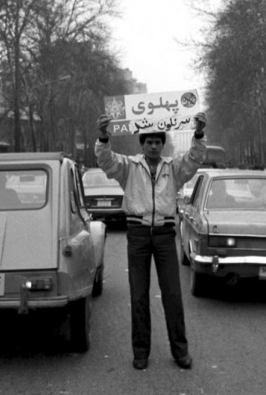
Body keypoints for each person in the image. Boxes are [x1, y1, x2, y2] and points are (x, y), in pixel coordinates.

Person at [95, 111, 207, 371]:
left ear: (162, 144)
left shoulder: (174, 168)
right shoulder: (128, 168)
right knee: (139, 295)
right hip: (137, 236)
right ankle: (140, 352)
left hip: (166, 236)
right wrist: (103, 137)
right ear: (142, 145)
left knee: (172, 294)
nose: (154, 146)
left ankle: (180, 351)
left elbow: (194, 159)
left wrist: (199, 134)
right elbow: (106, 161)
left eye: (158, 142)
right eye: (149, 142)